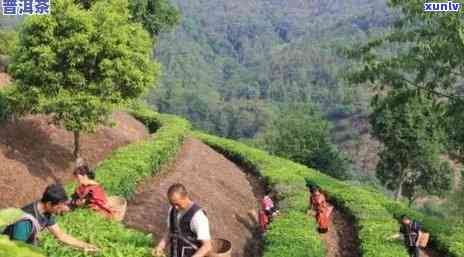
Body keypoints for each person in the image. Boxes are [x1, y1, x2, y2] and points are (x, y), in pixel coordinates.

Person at [2, 184, 99, 252]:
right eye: (59, 206)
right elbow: (14, 251)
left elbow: (61, 235)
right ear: (49, 204)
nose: (61, 210)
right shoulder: (25, 222)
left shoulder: (46, 212)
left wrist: (85, 246)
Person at [153, 183, 212, 257]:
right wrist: (160, 246)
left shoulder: (197, 216)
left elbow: (207, 246)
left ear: (186, 197)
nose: (175, 207)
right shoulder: (172, 209)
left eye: (177, 204)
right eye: (172, 203)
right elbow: (170, 231)